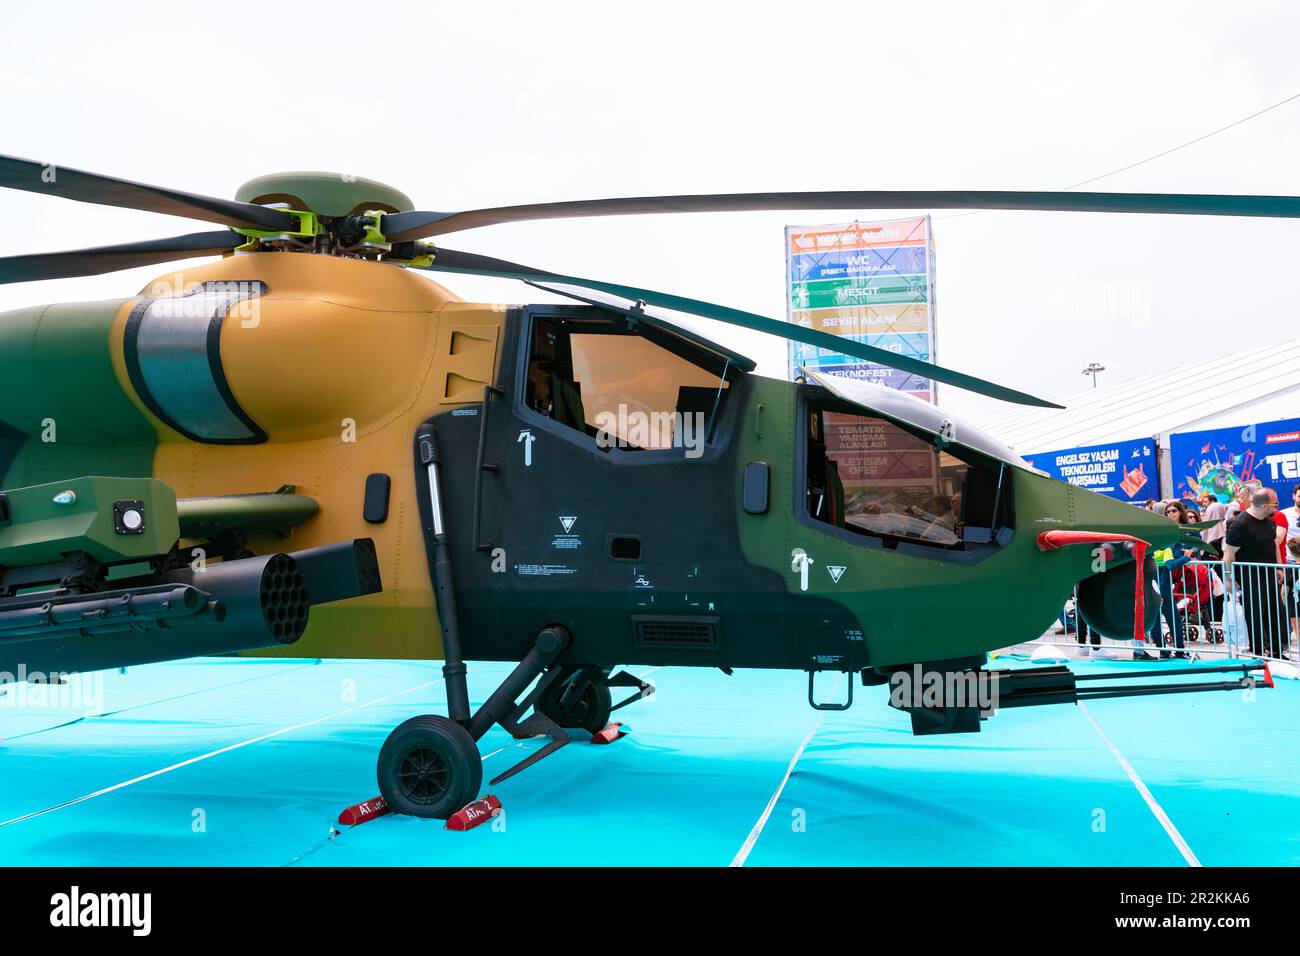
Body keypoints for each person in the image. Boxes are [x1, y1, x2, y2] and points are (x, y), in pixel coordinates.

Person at [1223, 488, 1288, 658]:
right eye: (1275, 505)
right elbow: (1228, 553)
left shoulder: (1269, 521)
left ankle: (1277, 650)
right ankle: (1258, 651)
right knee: (1255, 614)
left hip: (1270, 574)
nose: (1276, 508)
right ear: (1265, 506)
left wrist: (1279, 567)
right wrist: (1229, 579)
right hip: (1250, 576)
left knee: (1275, 612)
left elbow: (1273, 545)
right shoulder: (1240, 524)